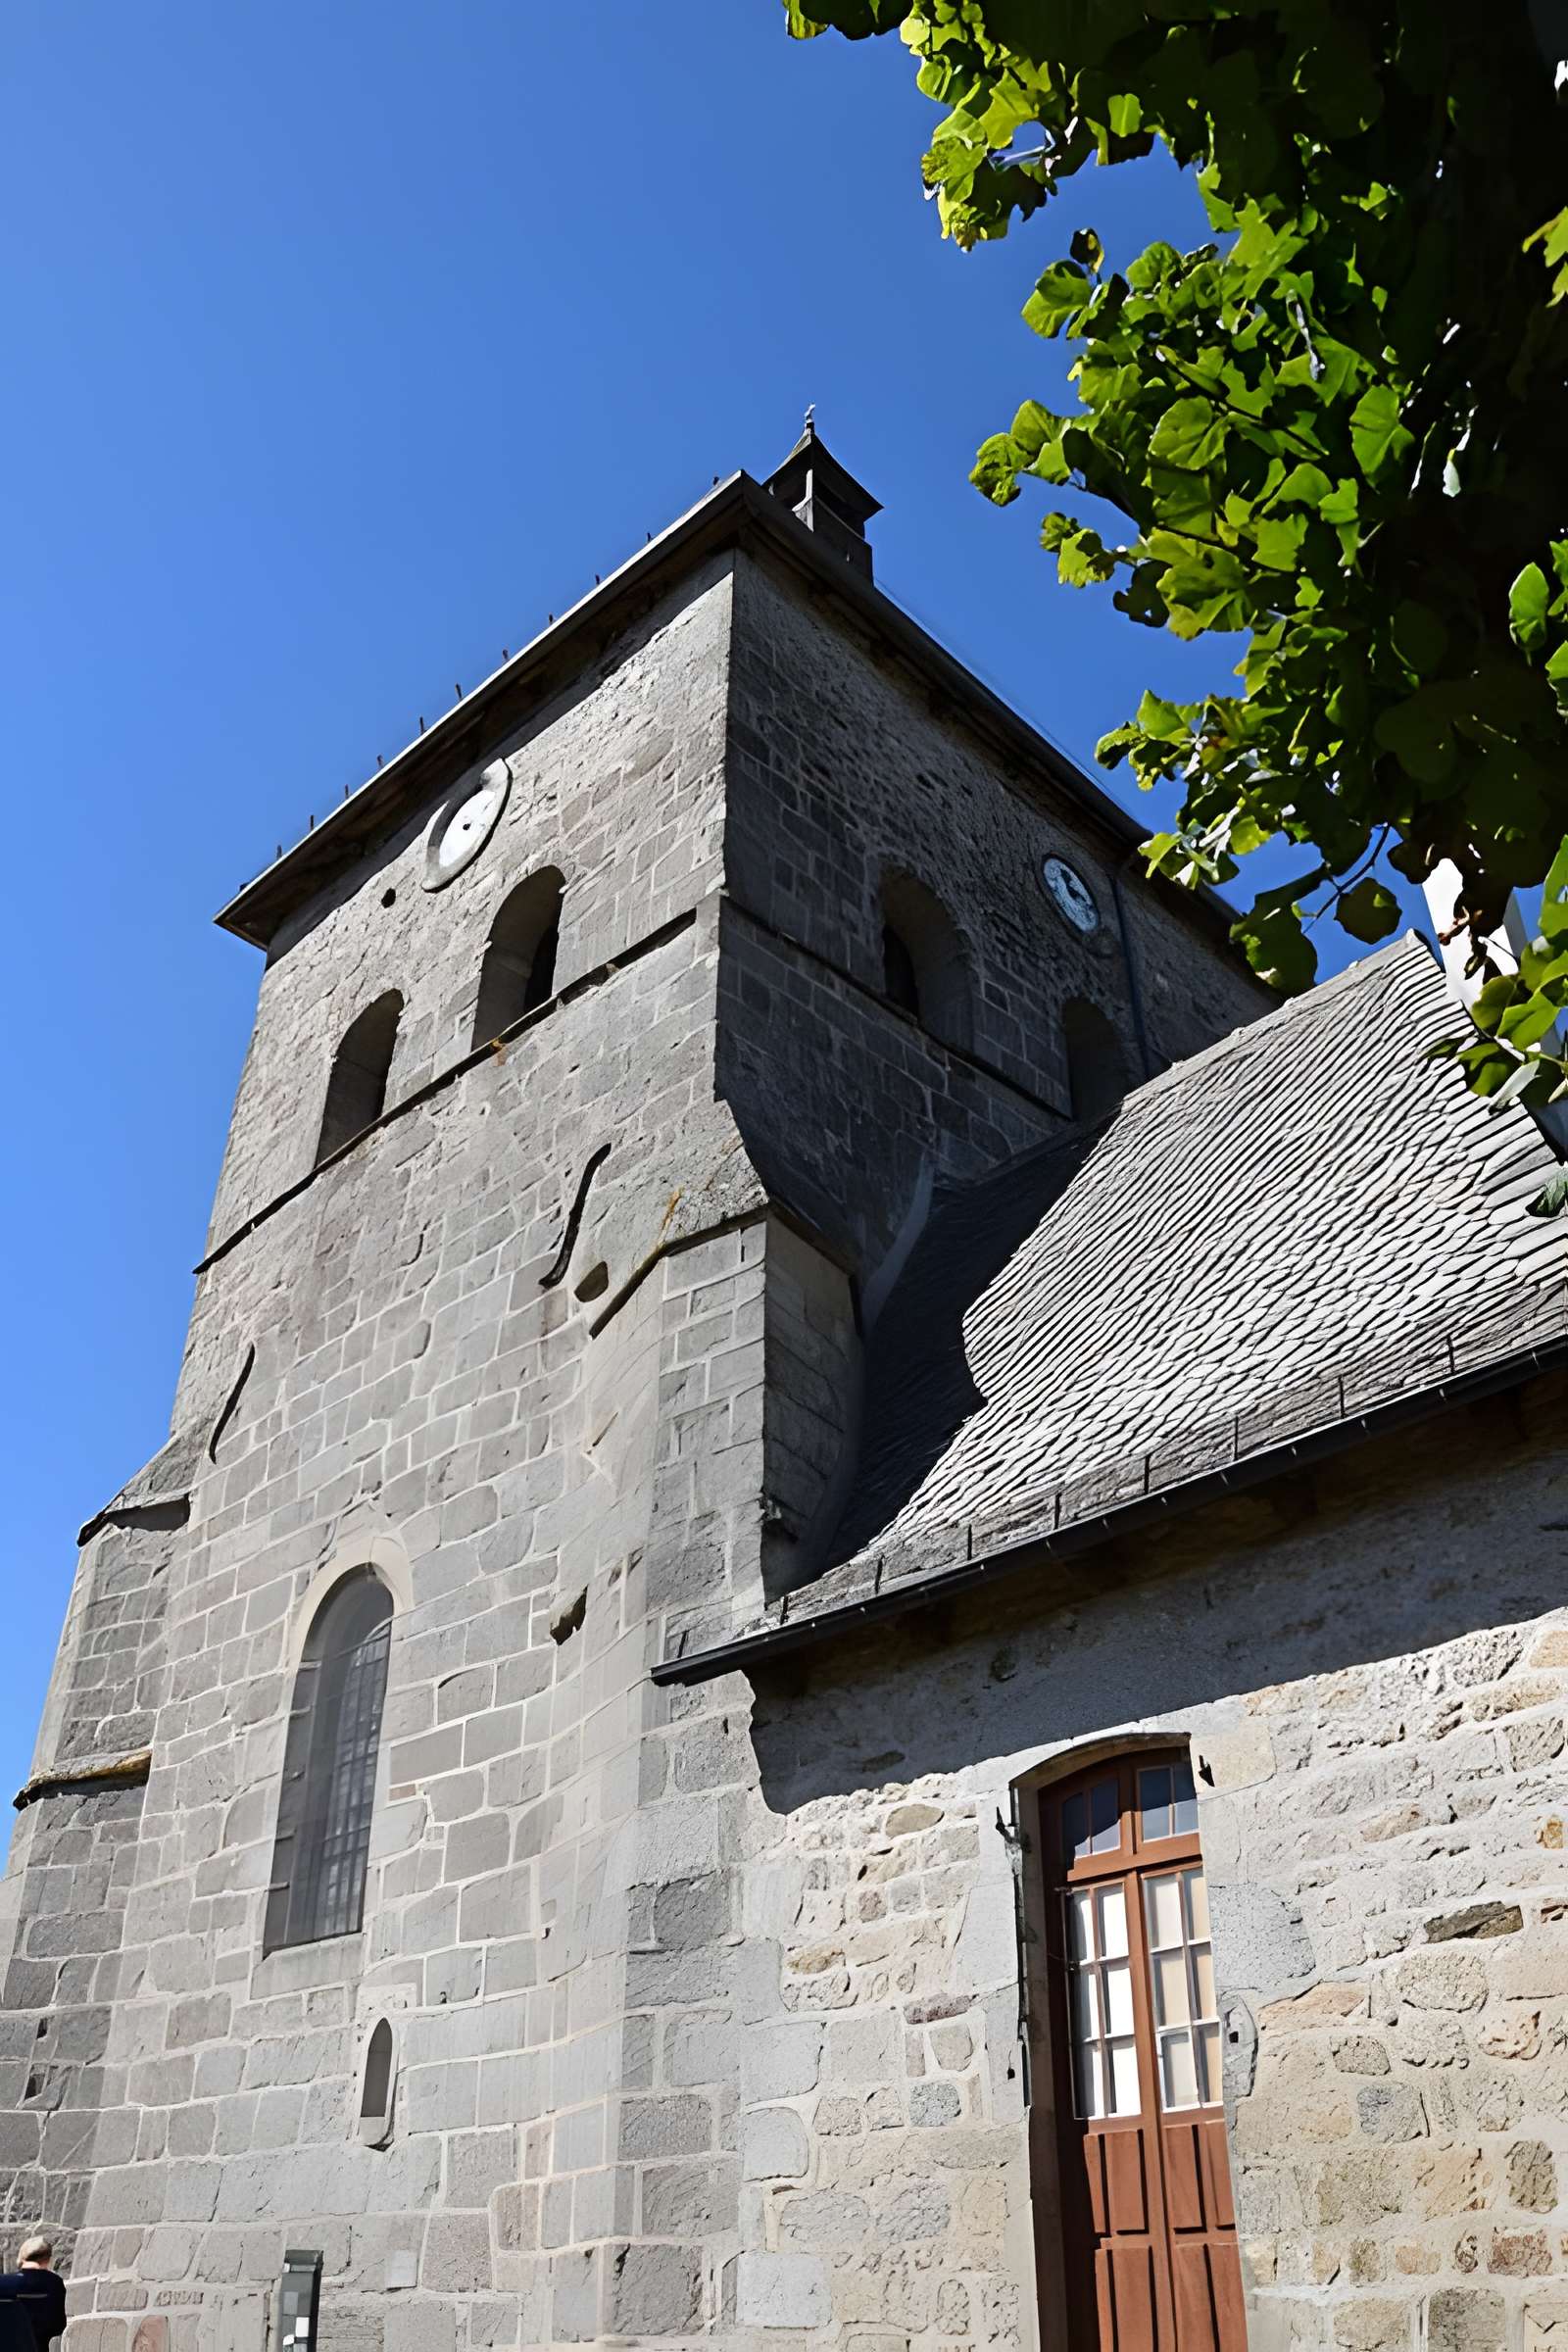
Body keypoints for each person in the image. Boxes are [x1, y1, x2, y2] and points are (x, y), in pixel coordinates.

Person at [0, 2238, 66, 2349]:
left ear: (22, 2257)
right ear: (48, 2259)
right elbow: (58, 2326)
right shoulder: (54, 2283)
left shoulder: (4, 2282)